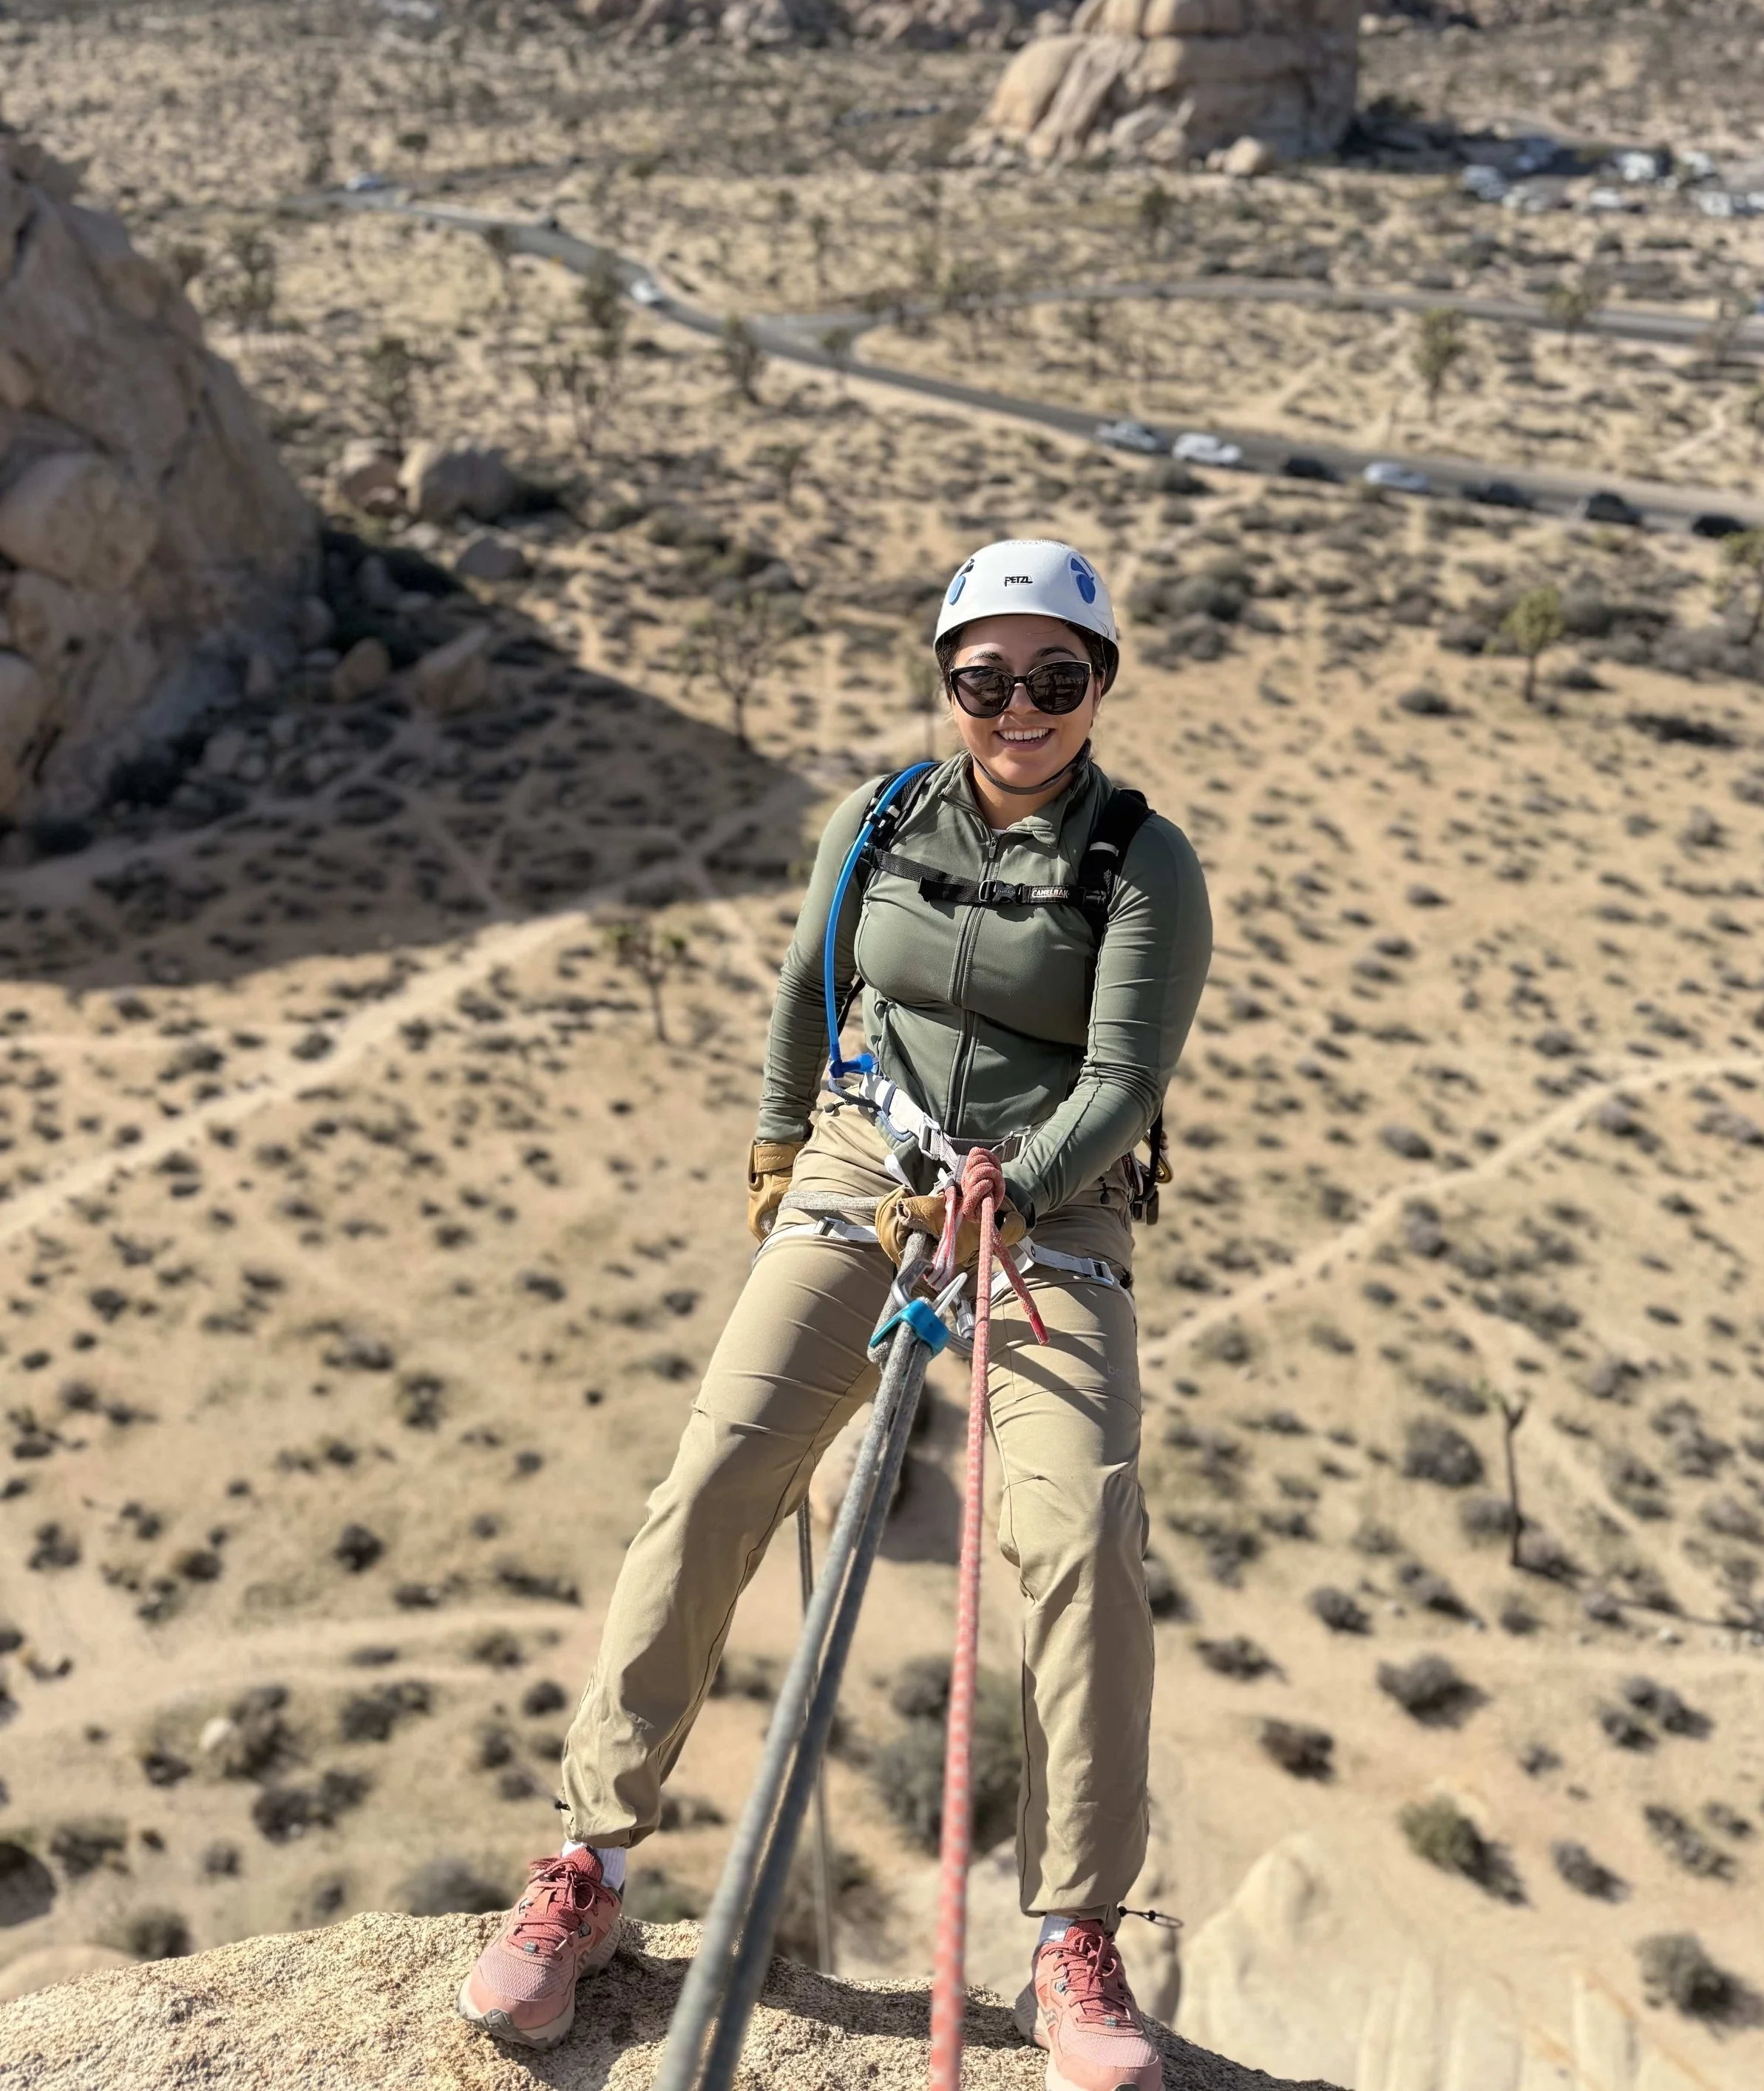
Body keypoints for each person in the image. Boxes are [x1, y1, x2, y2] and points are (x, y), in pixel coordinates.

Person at [460, 538, 1213, 2091]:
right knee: (718, 1466)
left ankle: (1075, 1933)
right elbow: (810, 985)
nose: (1016, 708)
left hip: (1044, 1203)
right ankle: (587, 1863)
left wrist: (995, 1190)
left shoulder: (1142, 863)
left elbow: (1122, 1085)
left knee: (1077, 1532)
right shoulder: (875, 819)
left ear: (1098, 688)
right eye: (983, 678)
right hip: (868, 1167)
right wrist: (775, 1143)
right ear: (946, 683)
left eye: (1052, 679)